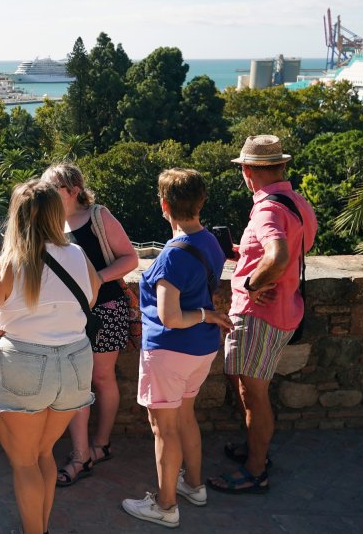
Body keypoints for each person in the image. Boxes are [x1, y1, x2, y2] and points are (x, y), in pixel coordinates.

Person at [0, 179, 101, 534]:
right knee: (43, 455)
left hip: (24, 365)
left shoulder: (8, 265)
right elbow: (92, 295)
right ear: (56, 215)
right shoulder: (79, 256)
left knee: (24, 463)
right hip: (75, 363)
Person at [121, 168, 234, 528]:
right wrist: (208, 316)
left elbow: (170, 317)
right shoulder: (211, 243)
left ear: (164, 205)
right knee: (186, 416)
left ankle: (166, 506)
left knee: (164, 429)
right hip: (201, 350)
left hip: (170, 350)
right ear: (200, 202)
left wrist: (203, 313)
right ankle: (194, 486)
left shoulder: (172, 256)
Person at [209, 135, 316, 495]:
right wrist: (244, 255)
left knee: (253, 394)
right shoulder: (296, 202)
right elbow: (295, 249)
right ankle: (256, 449)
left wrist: (254, 282)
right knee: (252, 388)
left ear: (249, 171)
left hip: (261, 314)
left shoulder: (268, 209)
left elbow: (280, 255)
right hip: (285, 308)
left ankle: (256, 470)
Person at [41, 163, 139, 487]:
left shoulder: (98, 217)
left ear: (73, 190)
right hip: (70, 313)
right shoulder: (49, 221)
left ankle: (100, 444)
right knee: (77, 383)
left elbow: (130, 258)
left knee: (101, 377)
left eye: (53, 188)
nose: (46, 195)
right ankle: (81, 453)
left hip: (107, 307)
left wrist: (96, 278)